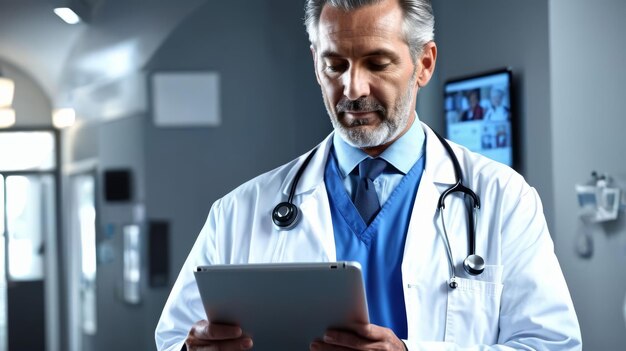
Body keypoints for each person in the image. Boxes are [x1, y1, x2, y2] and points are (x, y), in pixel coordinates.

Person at [155, 0, 582, 350]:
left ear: (424, 64)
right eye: (334, 65)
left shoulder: (504, 198)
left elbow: (552, 345)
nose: (352, 89)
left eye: (376, 63)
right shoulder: (239, 211)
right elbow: (174, 339)